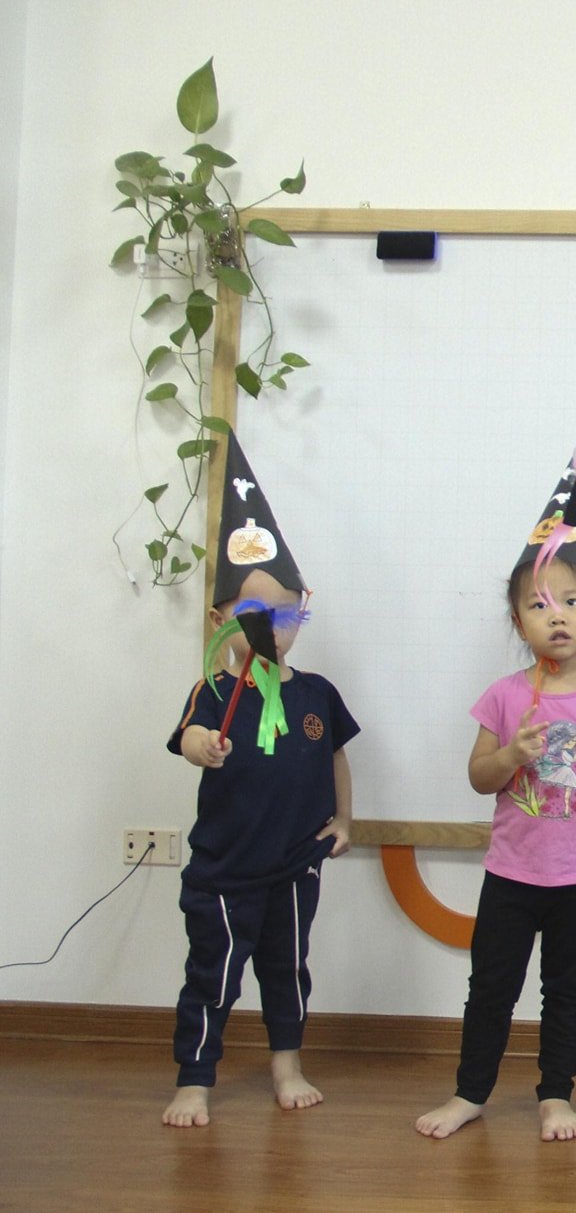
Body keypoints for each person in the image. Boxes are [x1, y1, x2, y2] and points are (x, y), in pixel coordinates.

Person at [416, 454, 576, 1142]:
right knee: (491, 986)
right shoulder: (504, 695)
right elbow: (479, 777)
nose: (557, 616)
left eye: (572, 602)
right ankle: (470, 1093)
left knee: (568, 989)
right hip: (513, 872)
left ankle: (556, 1094)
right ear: (518, 620)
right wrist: (510, 756)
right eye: (539, 604)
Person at [163, 431, 356, 1129]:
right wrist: (203, 746)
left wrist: (344, 820)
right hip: (225, 869)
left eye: (285, 613)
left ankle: (287, 1064)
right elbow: (188, 738)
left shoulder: (317, 693)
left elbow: (336, 757)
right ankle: (195, 1078)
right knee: (213, 976)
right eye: (255, 615)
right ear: (222, 620)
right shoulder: (214, 690)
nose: (273, 628)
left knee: (287, 969)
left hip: (295, 863)